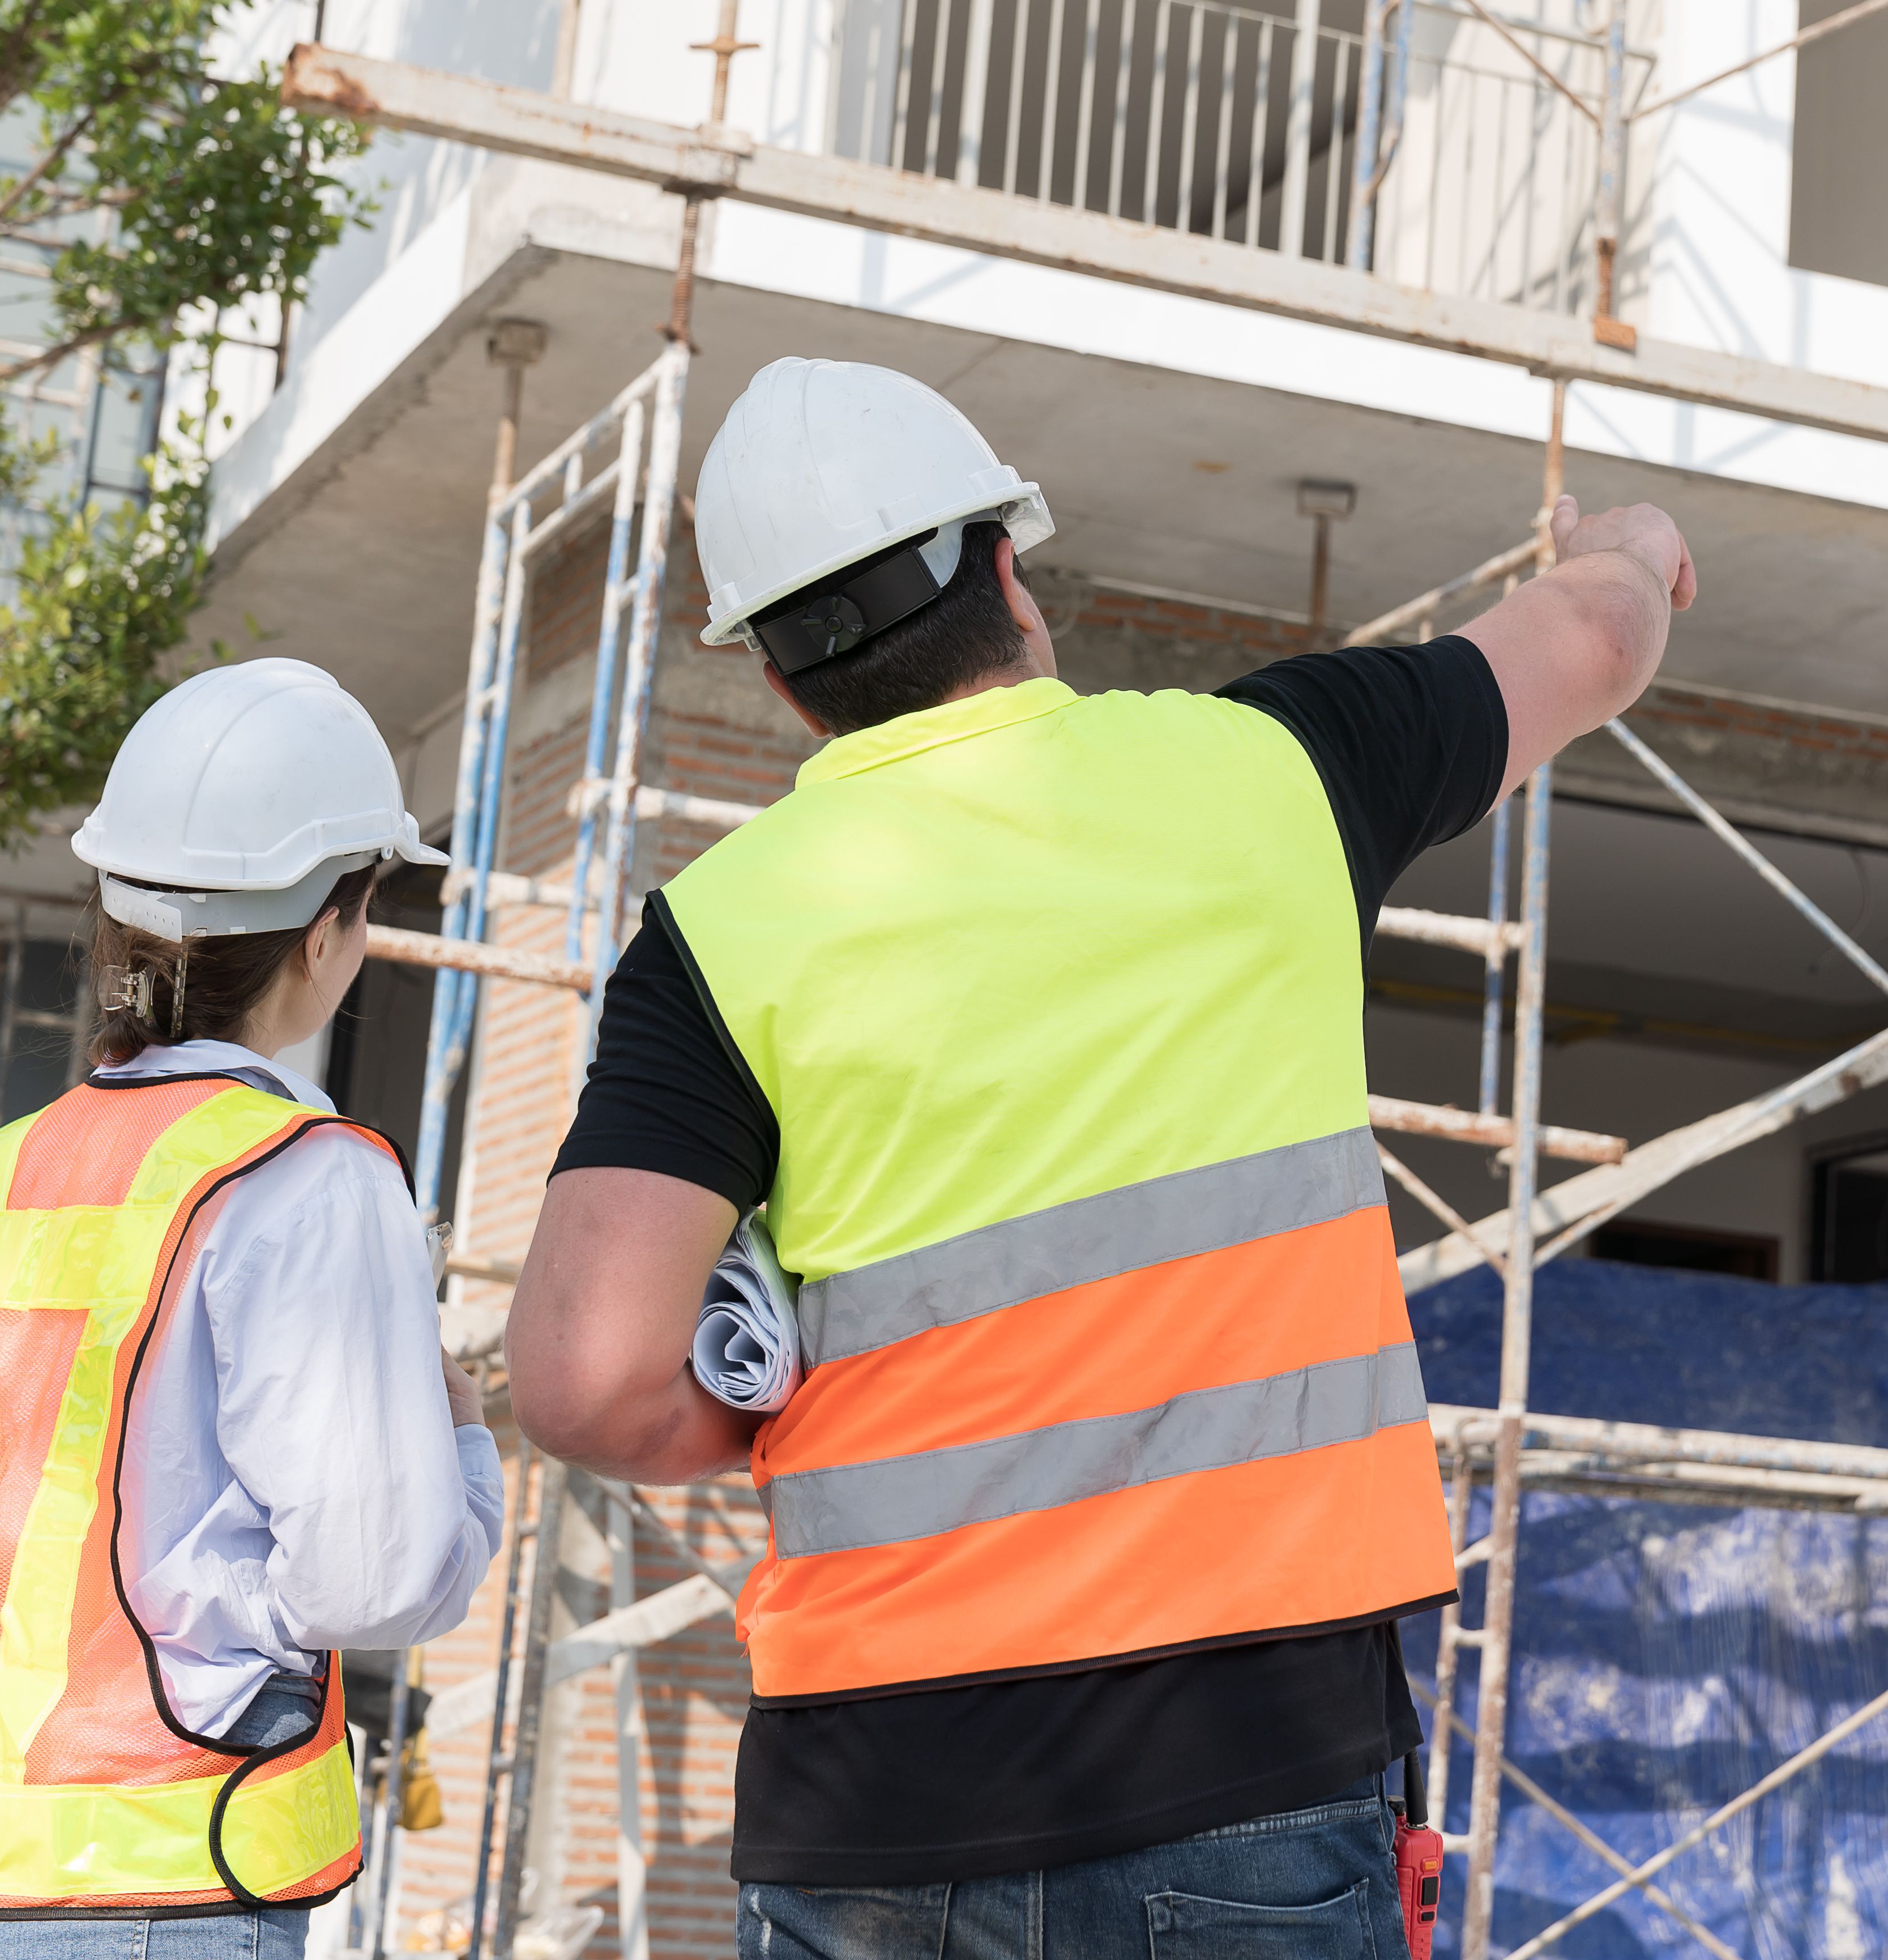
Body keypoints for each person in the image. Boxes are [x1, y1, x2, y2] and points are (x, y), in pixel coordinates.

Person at [508, 357, 1695, 1957]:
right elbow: (1596, 641)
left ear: (784, 679)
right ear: (1009, 569)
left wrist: (816, 1408)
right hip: (1247, 1779)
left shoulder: (721, 935)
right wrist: (1625, 544)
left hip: (872, 1808)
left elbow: (586, 1381)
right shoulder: (1274, 771)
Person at [0, 658, 504, 1945]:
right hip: (155, 1886)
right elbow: (376, 1577)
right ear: (326, 928)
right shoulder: (305, 1176)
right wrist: (463, 1442)